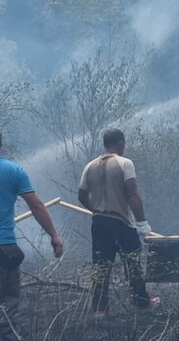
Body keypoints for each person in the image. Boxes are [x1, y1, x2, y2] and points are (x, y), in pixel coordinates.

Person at [78, 128, 158, 315]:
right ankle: (141, 302)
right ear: (120, 143)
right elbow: (132, 194)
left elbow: (81, 195)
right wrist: (142, 222)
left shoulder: (89, 166)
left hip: (98, 223)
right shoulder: (125, 163)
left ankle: (100, 309)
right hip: (121, 222)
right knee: (133, 262)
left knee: (101, 266)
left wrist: (96, 209)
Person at [0, 130, 63, 340]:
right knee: (8, 308)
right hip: (6, 250)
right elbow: (36, 205)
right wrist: (54, 235)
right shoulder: (14, 170)